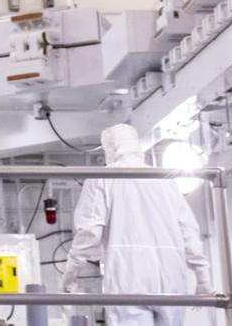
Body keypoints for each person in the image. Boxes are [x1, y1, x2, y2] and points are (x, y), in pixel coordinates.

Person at [60, 124, 213, 326]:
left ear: (110, 148)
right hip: (171, 279)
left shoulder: (103, 178)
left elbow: (89, 233)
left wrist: (70, 273)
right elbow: (189, 232)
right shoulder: (165, 181)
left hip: (129, 277)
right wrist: (203, 277)